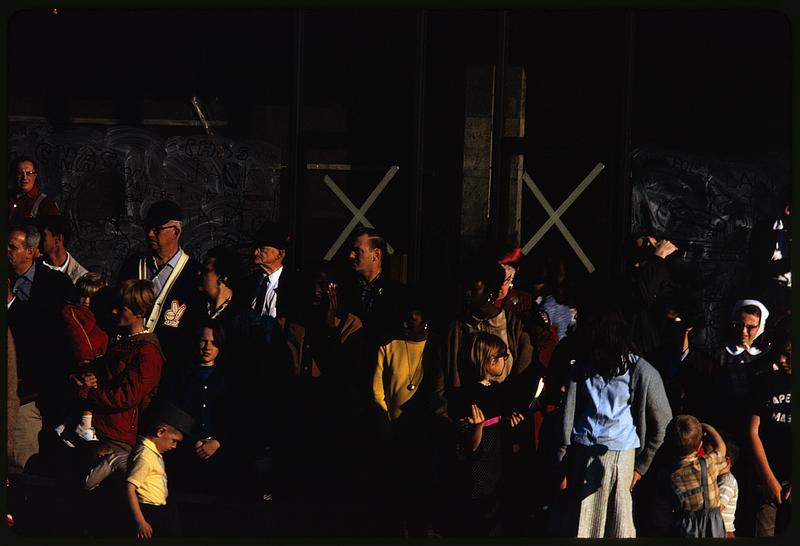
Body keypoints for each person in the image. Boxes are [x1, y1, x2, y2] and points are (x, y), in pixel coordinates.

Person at [556, 306, 671, 538]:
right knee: (578, 526)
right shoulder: (582, 368)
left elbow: (663, 422)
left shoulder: (642, 372)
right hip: (580, 455)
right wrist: (562, 461)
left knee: (616, 527)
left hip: (618, 459)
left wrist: (641, 466)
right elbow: (568, 416)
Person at [372, 298, 448, 536]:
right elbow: (377, 389)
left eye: (412, 321)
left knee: (421, 486)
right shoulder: (389, 345)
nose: (404, 324)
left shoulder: (437, 347)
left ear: (426, 324)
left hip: (424, 431)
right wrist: (385, 420)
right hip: (392, 429)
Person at [80, 280, 165, 491]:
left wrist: (88, 393)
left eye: (122, 308)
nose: (115, 311)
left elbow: (125, 397)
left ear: (138, 312)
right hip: (99, 427)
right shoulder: (122, 341)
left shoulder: (148, 352)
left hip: (116, 435)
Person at [451, 332, 526, 536]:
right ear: (491, 361)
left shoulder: (497, 390)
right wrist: (478, 427)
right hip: (478, 475)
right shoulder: (467, 396)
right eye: (503, 356)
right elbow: (468, 448)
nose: (505, 360)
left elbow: (502, 430)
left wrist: (511, 424)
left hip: (497, 468)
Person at [117, 200, 201, 380]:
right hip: (126, 365)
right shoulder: (133, 265)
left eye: (157, 229)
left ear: (175, 232)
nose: (149, 234)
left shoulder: (194, 274)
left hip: (169, 371)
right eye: (147, 228)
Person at [55, 272, 110, 445]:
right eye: (83, 295)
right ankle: (83, 425)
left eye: (91, 297)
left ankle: (68, 425)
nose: (86, 301)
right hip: (81, 365)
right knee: (86, 387)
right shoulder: (72, 312)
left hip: (97, 363)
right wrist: (86, 362)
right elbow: (79, 338)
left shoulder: (103, 317)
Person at [125, 402, 194, 539]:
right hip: (148, 510)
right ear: (161, 431)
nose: (174, 446)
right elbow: (129, 488)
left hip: (159, 508)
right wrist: (140, 521)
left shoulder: (153, 453)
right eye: (173, 441)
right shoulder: (145, 456)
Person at [749, 319, 791, 536]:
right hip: (766, 478)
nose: (782, 360)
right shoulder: (766, 382)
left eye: (790, 355)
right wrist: (768, 479)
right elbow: (753, 431)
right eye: (781, 353)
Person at [663, 415, 727, 538]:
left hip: (686, 527)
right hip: (712, 526)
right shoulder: (708, 463)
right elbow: (722, 449)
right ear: (699, 446)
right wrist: (710, 429)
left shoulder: (668, 475)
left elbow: (662, 511)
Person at [347, 226, 405, 347]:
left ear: (376, 255)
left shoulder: (396, 293)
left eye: (358, 251)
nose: (351, 256)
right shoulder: (346, 290)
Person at [38, 214, 88, 284]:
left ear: (58, 238)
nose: (38, 239)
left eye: (43, 235)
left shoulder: (79, 278)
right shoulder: (33, 266)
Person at [8, 155, 59, 222]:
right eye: (20, 173)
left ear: (35, 176)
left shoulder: (46, 204)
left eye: (29, 173)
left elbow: (55, 231)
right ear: (13, 175)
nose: (24, 178)